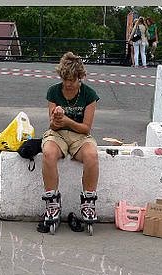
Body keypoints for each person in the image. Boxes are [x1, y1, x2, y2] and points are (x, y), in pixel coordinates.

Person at [38, 51, 100, 233]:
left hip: (79, 135)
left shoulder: (89, 95)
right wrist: (56, 118)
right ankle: (52, 201)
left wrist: (67, 121)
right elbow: (52, 126)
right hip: (58, 134)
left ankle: (88, 201)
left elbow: (86, 128)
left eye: (72, 80)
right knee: (48, 153)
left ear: (80, 78)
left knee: (92, 155)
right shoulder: (53, 91)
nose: (67, 84)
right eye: (65, 80)